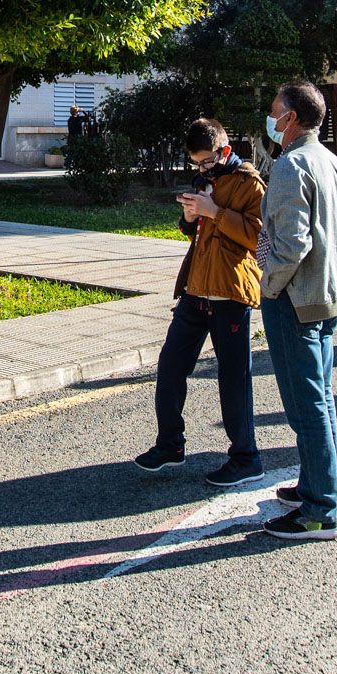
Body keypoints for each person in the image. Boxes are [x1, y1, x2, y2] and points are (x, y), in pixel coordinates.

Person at [135, 119, 267, 486]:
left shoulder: (249, 183)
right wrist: (190, 218)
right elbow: (197, 232)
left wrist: (214, 212)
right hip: (195, 292)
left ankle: (246, 456)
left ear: (225, 148)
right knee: (171, 366)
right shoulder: (204, 182)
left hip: (230, 293)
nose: (202, 169)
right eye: (196, 163)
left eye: (207, 161)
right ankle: (170, 444)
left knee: (233, 378)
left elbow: (259, 237)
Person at [255, 80, 337, 540]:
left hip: (293, 300)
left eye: (275, 111)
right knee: (321, 397)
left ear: (291, 118)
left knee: (306, 404)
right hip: (327, 294)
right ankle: (314, 485)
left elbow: (290, 243)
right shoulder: (333, 162)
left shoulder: (289, 165)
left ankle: (319, 510)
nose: (270, 119)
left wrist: (268, 282)